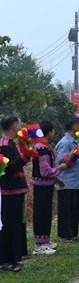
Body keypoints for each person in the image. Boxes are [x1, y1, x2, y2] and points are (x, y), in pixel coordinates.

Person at [0, 115, 30, 272]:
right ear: (13, 127)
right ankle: (5, 261)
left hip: (17, 189)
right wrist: (25, 158)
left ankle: (14, 258)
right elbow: (8, 168)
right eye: (19, 123)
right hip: (9, 190)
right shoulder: (4, 145)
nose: (21, 125)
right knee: (9, 225)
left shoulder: (13, 143)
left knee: (16, 225)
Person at [31, 120, 65, 254]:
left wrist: (56, 179)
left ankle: (45, 239)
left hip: (47, 184)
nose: (53, 133)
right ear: (49, 132)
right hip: (41, 185)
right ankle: (40, 244)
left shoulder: (45, 146)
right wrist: (60, 169)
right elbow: (45, 170)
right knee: (41, 213)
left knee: (46, 212)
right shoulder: (42, 148)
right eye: (53, 131)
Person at [55, 117, 79, 241]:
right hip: (67, 181)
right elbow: (60, 161)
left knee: (75, 208)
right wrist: (70, 159)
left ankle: (73, 233)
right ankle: (65, 234)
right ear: (74, 126)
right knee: (66, 209)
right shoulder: (65, 142)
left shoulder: (76, 141)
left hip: (76, 181)